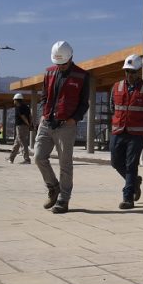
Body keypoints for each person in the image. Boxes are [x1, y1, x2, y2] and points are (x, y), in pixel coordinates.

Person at [34, 40, 90, 214]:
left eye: (63, 63)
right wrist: (44, 113)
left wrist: (75, 119)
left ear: (71, 57)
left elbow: (83, 103)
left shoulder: (82, 76)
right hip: (47, 122)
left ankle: (64, 199)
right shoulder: (49, 73)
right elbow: (44, 96)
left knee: (65, 164)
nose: (61, 67)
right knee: (38, 156)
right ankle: (53, 187)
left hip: (67, 125)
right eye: (57, 63)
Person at [109, 54, 143, 210]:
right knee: (116, 162)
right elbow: (113, 107)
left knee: (131, 164)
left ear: (139, 71)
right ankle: (135, 182)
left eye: (132, 71)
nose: (129, 75)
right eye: (127, 71)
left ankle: (128, 197)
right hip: (118, 130)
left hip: (137, 134)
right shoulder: (116, 87)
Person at [7, 93, 33, 164]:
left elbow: (23, 116)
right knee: (17, 143)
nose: (14, 101)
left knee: (22, 142)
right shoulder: (26, 107)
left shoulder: (19, 107)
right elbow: (30, 116)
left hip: (21, 126)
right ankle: (11, 158)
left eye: (14, 100)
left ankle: (27, 159)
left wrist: (28, 124)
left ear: (16, 100)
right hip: (25, 126)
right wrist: (30, 124)